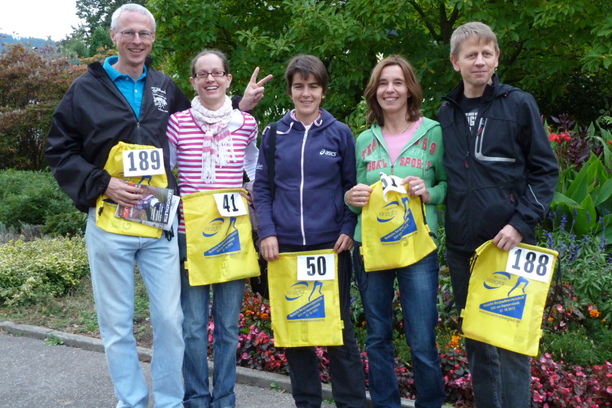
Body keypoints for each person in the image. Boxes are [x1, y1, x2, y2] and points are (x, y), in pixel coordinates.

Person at [45, 4, 269, 407]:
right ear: (113, 37)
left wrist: (241, 107)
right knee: (116, 324)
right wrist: (103, 183)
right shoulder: (85, 89)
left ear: (152, 39)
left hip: (158, 223)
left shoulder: (164, 87)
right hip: (109, 221)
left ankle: (169, 400)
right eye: (129, 33)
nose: (137, 41)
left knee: (170, 319)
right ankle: (132, 400)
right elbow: (59, 150)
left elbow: (206, 122)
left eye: (144, 34)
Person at [438, 22, 559, 408]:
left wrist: (520, 224)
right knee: (477, 340)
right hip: (464, 249)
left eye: (486, 54)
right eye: (471, 55)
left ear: (497, 59)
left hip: (510, 245)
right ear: (455, 62)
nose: (479, 61)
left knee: (511, 345)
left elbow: (545, 171)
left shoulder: (518, 104)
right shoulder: (446, 112)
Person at [253, 54, 367, 408]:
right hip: (285, 247)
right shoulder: (274, 134)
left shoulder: (340, 133)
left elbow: (352, 187)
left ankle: (351, 403)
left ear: (323, 91)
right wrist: (267, 233)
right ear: (290, 90)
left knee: (339, 333)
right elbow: (262, 188)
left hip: (330, 247)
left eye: (313, 86)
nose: (306, 93)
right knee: (296, 332)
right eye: (299, 86)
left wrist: (348, 227)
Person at [345, 55, 447, 408]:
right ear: (375, 92)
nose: (390, 89)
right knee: (378, 336)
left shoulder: (434, 132)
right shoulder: (363, 139)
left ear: (410, 89)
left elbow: (448, 185)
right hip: (370, 246)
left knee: (422, 339)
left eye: (398, 82)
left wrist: (429, 192)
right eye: (384, 83)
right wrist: (350, 198)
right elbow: (353, 195)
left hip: (417, 247)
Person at [166, 49, 259, 408]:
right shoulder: (177, 123)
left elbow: (255, 166)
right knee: (192, 326)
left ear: (228, 79)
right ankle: (196, 398)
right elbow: (164, 173)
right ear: (193, 81)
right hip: (189, 235)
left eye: (216, 73)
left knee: (228, 327)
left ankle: (224, 398)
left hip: (231, 235)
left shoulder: (245, 123)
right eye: (202, 74)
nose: (210, 79)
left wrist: (251, 192)